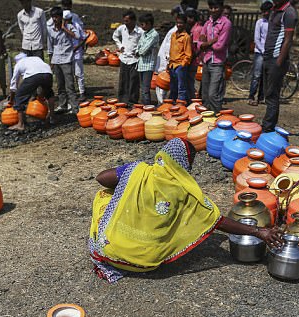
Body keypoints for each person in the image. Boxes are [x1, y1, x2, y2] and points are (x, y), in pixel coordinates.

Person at [88, 138, 283, 283]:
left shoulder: (140, 171)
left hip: (109, 249)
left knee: (105, 195)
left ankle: (116, 237)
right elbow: (217, 221)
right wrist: (258, 231)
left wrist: (132, 178)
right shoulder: (184, 190)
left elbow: (101, 178)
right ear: (183, 162)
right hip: (146, 261)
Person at [261, 0, 297, 133]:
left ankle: (268, 127)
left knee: (272, 95)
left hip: (277, 60)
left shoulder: (289, 12)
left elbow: (288, 40)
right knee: (267, 94)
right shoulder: (274, 10)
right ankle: (267, 124)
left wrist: (278, 62)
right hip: (267, 57)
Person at [8, 53, 55, 131]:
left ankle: (20, 124)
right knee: (49, 93)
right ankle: (52, 118)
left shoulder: (19, 64)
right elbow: (40, 74)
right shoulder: (36, 58)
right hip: (48, 73)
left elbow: (13, 86)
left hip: (33, 76)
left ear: (16, 61)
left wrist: (11, 100)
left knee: (19, 96)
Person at [199, 0, 232, 113]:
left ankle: (216, 117)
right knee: (205, 94)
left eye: (216, 7)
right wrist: (210, 41)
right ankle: (206, 120)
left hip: (217, 62)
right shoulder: (208, 23)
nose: (213, 10)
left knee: (214, 94)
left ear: (221, 8)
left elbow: (219, 46)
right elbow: (199, 42)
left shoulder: (225, 23)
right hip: (206, 60)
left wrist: (206, 43)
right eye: (211, 7)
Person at [47, 7, 79, 114]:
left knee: (69, 86)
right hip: (56, 60)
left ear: (61, 17)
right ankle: (63, 105)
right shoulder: (50, 30)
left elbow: (77, 36)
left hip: (66, 60)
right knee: (60, 86)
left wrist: (64, 28)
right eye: (53, 17)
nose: (54, 19)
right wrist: (51, 61)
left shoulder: (69, 27)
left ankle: (75, 108)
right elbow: (50, 47)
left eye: (56, 17)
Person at [112, 10, 143, 105]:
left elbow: (143, 43)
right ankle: (122, 100)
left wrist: (138, 51)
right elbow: (115, 36)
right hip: (124, 58)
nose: (125, 23)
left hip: (134, 60)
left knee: (133, 81)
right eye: (124, 21)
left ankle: (132, 101)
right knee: (123, 80)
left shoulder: (140, 32)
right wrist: (120, 46)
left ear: (133, 21)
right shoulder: (122, 28)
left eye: (127, 21)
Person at [248, 0, 272, 106]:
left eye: (267, 11)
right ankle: (251, 96)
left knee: (265, 76)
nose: (265, 13)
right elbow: (257, 39)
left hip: (270, 52)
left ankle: (261, 96)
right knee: (257, 75)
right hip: (260, 52)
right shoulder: (260, 22)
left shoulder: (273, 22)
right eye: (263, 11)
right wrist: (263, 50)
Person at [155, 9, 178, 104]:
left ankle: (165, 103)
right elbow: (169, 48)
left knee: (168, 83)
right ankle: (161, 103)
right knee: (163, 83)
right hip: (166, 61)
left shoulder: (177, 30)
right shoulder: (174, 31)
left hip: (170, 61)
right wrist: (169, 61)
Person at [136, 13, 159, 106]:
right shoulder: (144, 34)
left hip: (148, 65)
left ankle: (147, 107)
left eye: (143, 24)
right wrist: (139, 50)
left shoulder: (154, 34)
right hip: (141, 64)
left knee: (145, 89)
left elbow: (143, 50)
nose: (141, 27)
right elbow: (139, 47)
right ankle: (144, 106)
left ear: (149, 23)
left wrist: (140, 51)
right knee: (142, 88)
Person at [168, 13, 192, 102]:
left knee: (181, 87)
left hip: (180, 65)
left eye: (181, 23)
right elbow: (171, 50)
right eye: (177, 23)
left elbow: (188, 54)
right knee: (173, 87)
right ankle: (172, 104)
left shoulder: (186, 37)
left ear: (185, 24)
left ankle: (181, 105)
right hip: (172, 64)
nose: (179, 25)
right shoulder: (173, 35)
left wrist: (182, 64)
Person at [185, 8, 203, 101]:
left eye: (189, 18)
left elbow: (197, 48)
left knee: (191, 82)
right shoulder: (193, 29)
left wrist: (191, 59)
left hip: (194, 60)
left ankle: (192, 101)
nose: (188, 20)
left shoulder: (196, 30)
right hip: (193, 59)